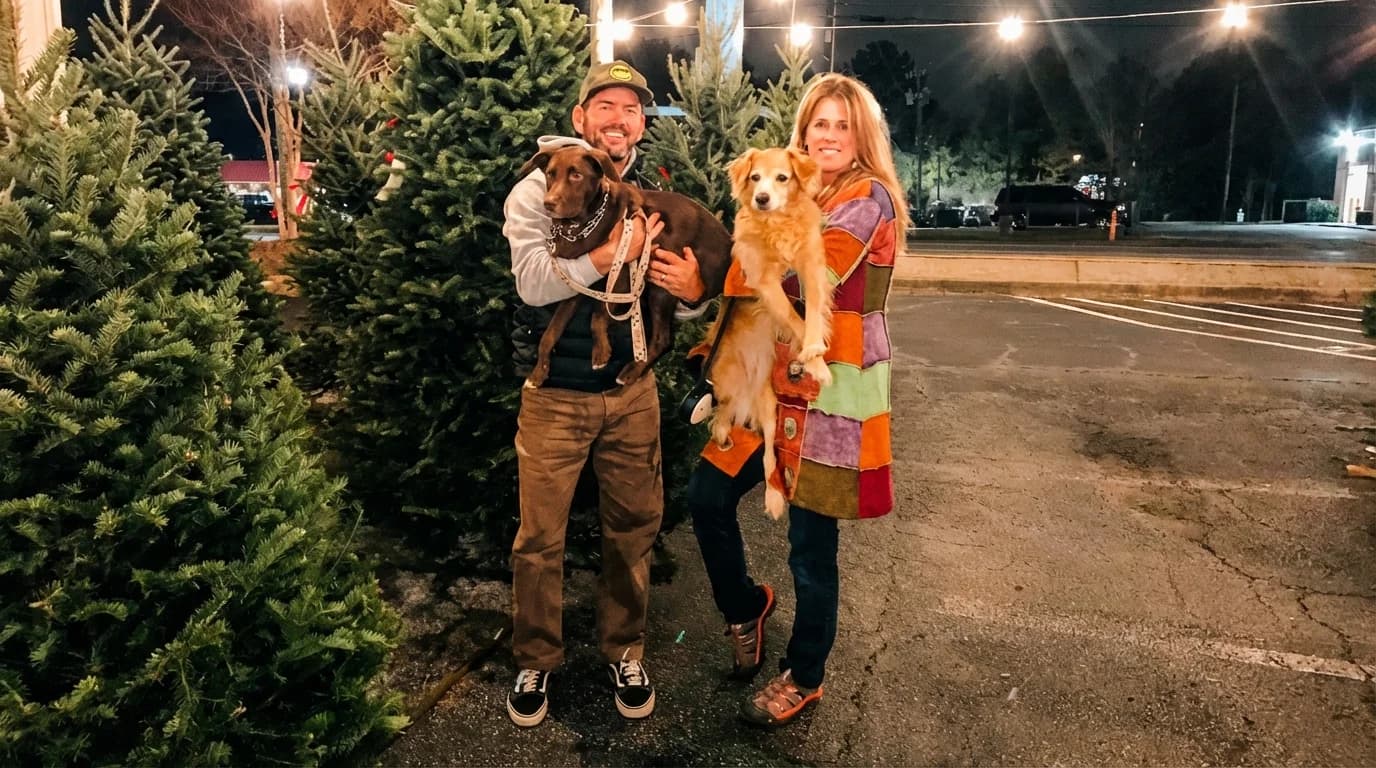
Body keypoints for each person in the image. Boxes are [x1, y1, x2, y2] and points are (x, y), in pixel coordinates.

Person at [676, 72, 908, 728]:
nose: (829, 135)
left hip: (833, 392)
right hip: (769, 385)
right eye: (818, 124)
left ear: (861, 135)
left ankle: (805, 674)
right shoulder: (795, 183)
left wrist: (736, 257)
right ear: (802, 135)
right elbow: (751, 279)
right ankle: (746, 604)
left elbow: (815, 278)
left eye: (842, 124)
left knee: (810, 546)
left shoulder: (867, 198)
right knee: (707, 495)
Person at [501, 60, 708, 728]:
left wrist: (695, 295)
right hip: (555, 393)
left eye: (632, 110)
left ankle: (624, 648)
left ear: (642, 124)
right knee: (539, 540)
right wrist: (610, 252)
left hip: (632, 391)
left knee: (631, 530)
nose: (618, 120)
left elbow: (689, 299)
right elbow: (533, 283)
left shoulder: (656, 196)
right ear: (580, 119)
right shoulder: (537, 188)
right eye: (606, 107)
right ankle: (536, 657)